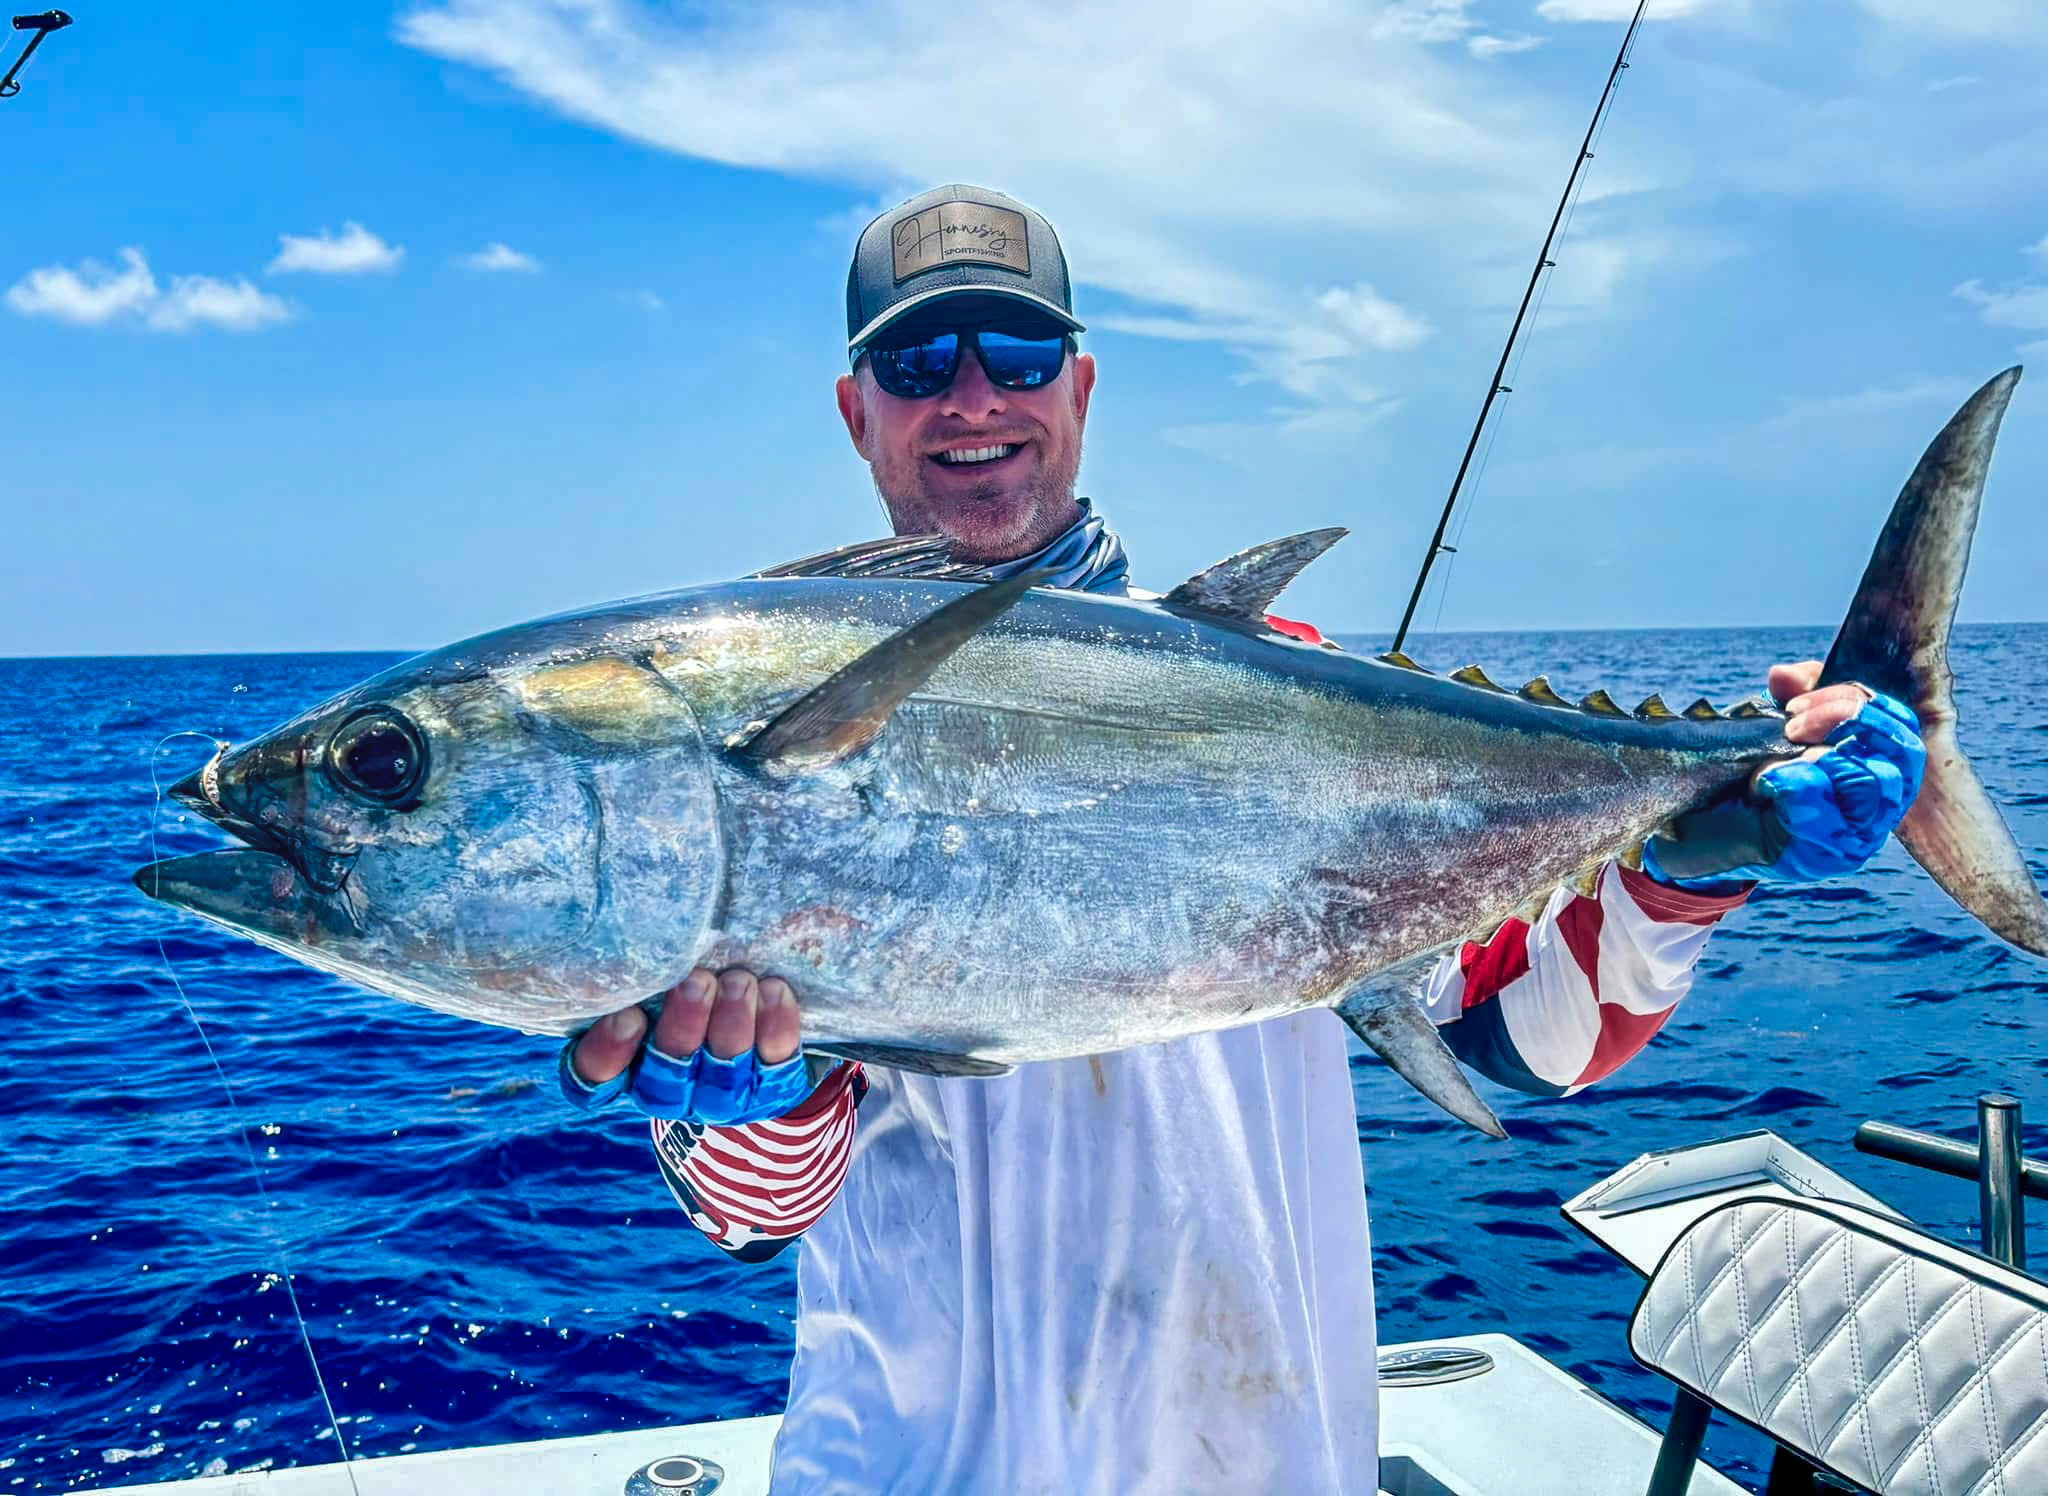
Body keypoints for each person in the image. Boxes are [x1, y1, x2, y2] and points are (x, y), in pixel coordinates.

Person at [559, 185, 1925, 1493]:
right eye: (919, 364)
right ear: (860, 414)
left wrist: (1699, 860)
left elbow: (1535, 1041)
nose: (973, 397)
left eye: (1019, 350)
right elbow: (752, 1212)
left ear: (1078, 391)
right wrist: (764, 1089)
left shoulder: (1297, 685)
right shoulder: (762, 699)